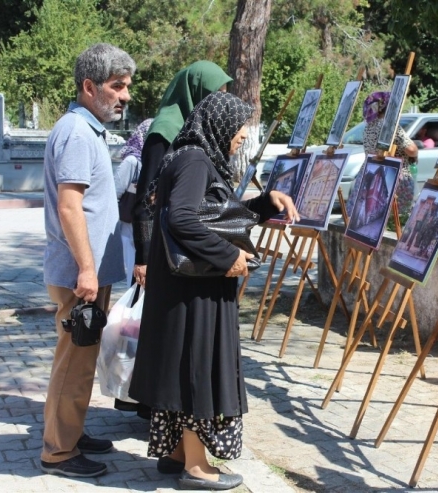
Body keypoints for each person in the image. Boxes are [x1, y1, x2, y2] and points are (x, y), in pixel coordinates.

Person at [128, 92, 299, 491]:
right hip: (192, 291)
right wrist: (227, 258)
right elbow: (184, 219)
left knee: (182, 366)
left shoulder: (190, 156)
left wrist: (264, 204)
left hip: (184, 289)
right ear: (220, 124)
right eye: (239, 126)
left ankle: (176, 456)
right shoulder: (194, 160)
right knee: (194, 368)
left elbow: (214, 216)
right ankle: (196, 466)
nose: (242, 135)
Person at [40, 43, 135, 478]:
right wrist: (86, 268)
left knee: (81, 359)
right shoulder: (77, 133)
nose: (125, 96)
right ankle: (59, 452)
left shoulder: (87, 129)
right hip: (81, 274)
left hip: (88, 271)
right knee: (73, 363)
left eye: (128, 86)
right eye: (117, 87)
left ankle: (71, 434)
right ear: (89, 87)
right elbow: (69, 207)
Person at [132, 61, 232, 289]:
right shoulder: (165, 132)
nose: (220, 105)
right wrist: (144, 258)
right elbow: (145, 200)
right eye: (216, 96)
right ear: (198, 94)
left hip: (187, 249)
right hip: (163, 251)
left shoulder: (198, 132)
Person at [355, 91, 419, 215]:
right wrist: (416, 154)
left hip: (370, 173)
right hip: (393, 178)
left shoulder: (368, 127)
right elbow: (411, 149)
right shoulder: (390, 126)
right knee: (396, 219)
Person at [114, 118, 153, 285]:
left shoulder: (153, 161)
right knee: (134, 267)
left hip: (147, 226)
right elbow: (114, 193)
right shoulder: (132, 162)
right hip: (129, 226)